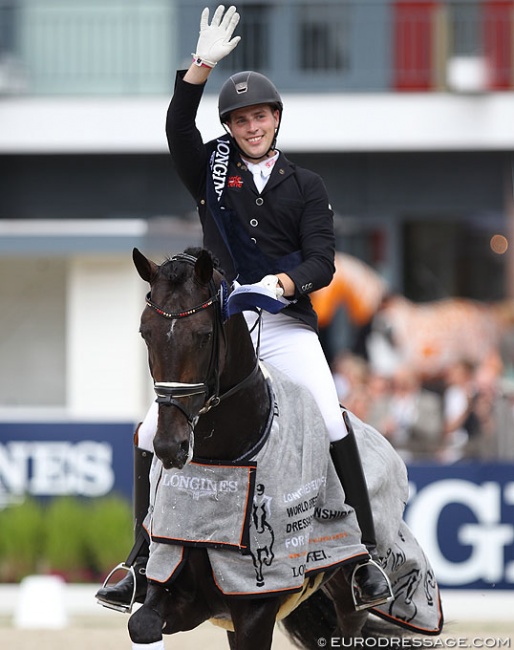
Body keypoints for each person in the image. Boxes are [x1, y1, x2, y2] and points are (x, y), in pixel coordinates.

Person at [96, 4, 391, 612]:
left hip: (282, 323)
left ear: (276, 120)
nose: (251, 126)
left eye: (260, 116)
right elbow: (180, 128)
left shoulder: (307, 185)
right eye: (240, 120)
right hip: (225, 323)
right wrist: (199, 68)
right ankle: (136, 560)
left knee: (332, 420)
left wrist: (283, 285)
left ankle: (364, 558)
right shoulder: (213, 169)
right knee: (152, 428)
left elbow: (323, 262)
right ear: (230, 126)